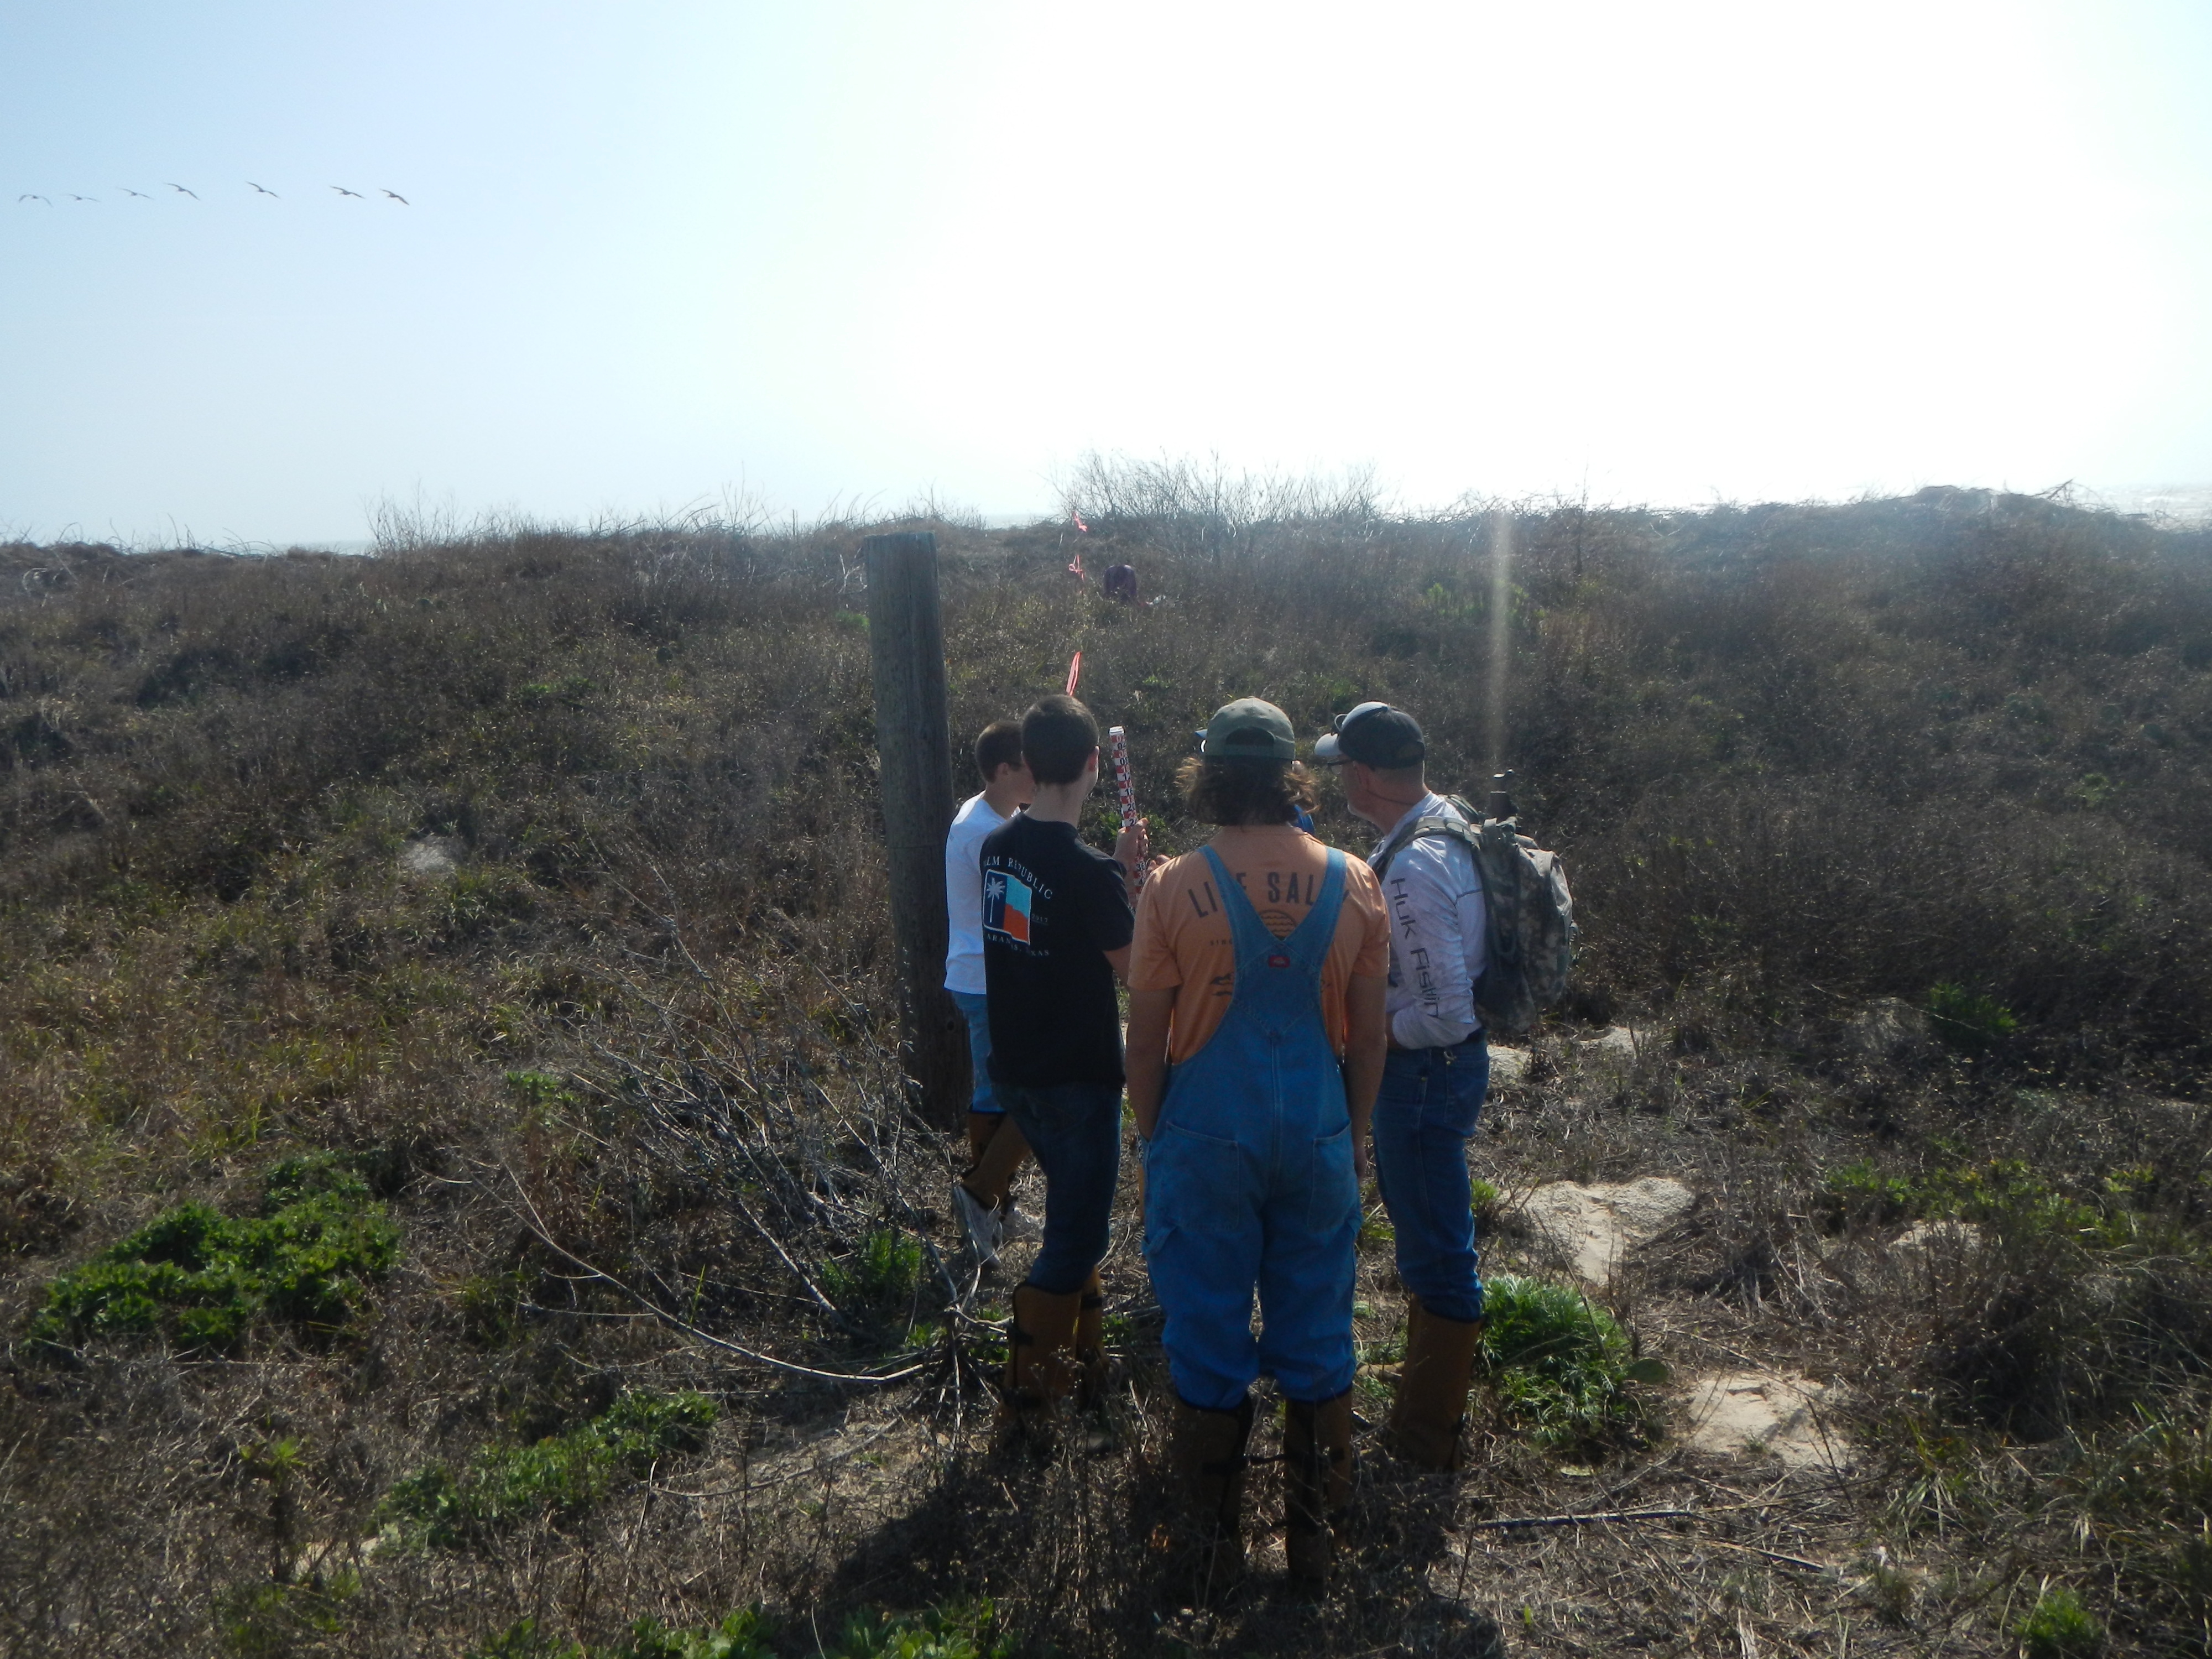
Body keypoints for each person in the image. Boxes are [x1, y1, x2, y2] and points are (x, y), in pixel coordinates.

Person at [1125, 698, 1391, 1583]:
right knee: (1318, 1341)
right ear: (1290, 777)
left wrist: (1158, 1142)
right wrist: (1353, 1136)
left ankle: (1210, 1560)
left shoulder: (1172, 886)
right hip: (1318, 1133)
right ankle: (1317, 1557)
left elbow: (1145, 1043)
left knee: (1206, 1341)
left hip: (1204, 1140)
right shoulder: (1356, 880)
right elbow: (1370, 1036)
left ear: (1208, 774)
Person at [1311, 701, 1489, 1472]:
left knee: (1436, 1252)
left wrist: (1369, 1026)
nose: (1339, 780)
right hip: (1437, 1073)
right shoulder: (1445, 824)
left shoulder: (1413, 870)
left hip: (1424, 1076)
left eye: (1343, 766)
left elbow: (1446, 1014)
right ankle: (1427, 1418)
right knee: (1431, 1239)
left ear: (1365, 774)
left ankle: (1426, 1442)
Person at [980, 694, 1149, 1422]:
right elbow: (1139, 972)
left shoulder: (998, 846)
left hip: (1017, 1072)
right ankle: (1031, 1400)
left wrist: (1116, 872)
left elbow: (1046, 929)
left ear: (1027, 761)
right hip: (1077, 1078)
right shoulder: (1087, 874)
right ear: (1092, 765)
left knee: (1074, 1217)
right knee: (1077, 1236)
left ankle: (1085, 1364)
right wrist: (1140, 895)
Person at [945, 717, 1036, 1264]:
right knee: (1004, 1091)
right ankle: (980, 1200)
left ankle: (996, 1204)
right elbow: (1018, 915)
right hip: (986, 980)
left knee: (1006, 1090)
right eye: (1030, 768)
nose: (1039, 778)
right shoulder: (984, 832)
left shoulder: (1001, 816)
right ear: (1003, 771)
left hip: (994, 975)